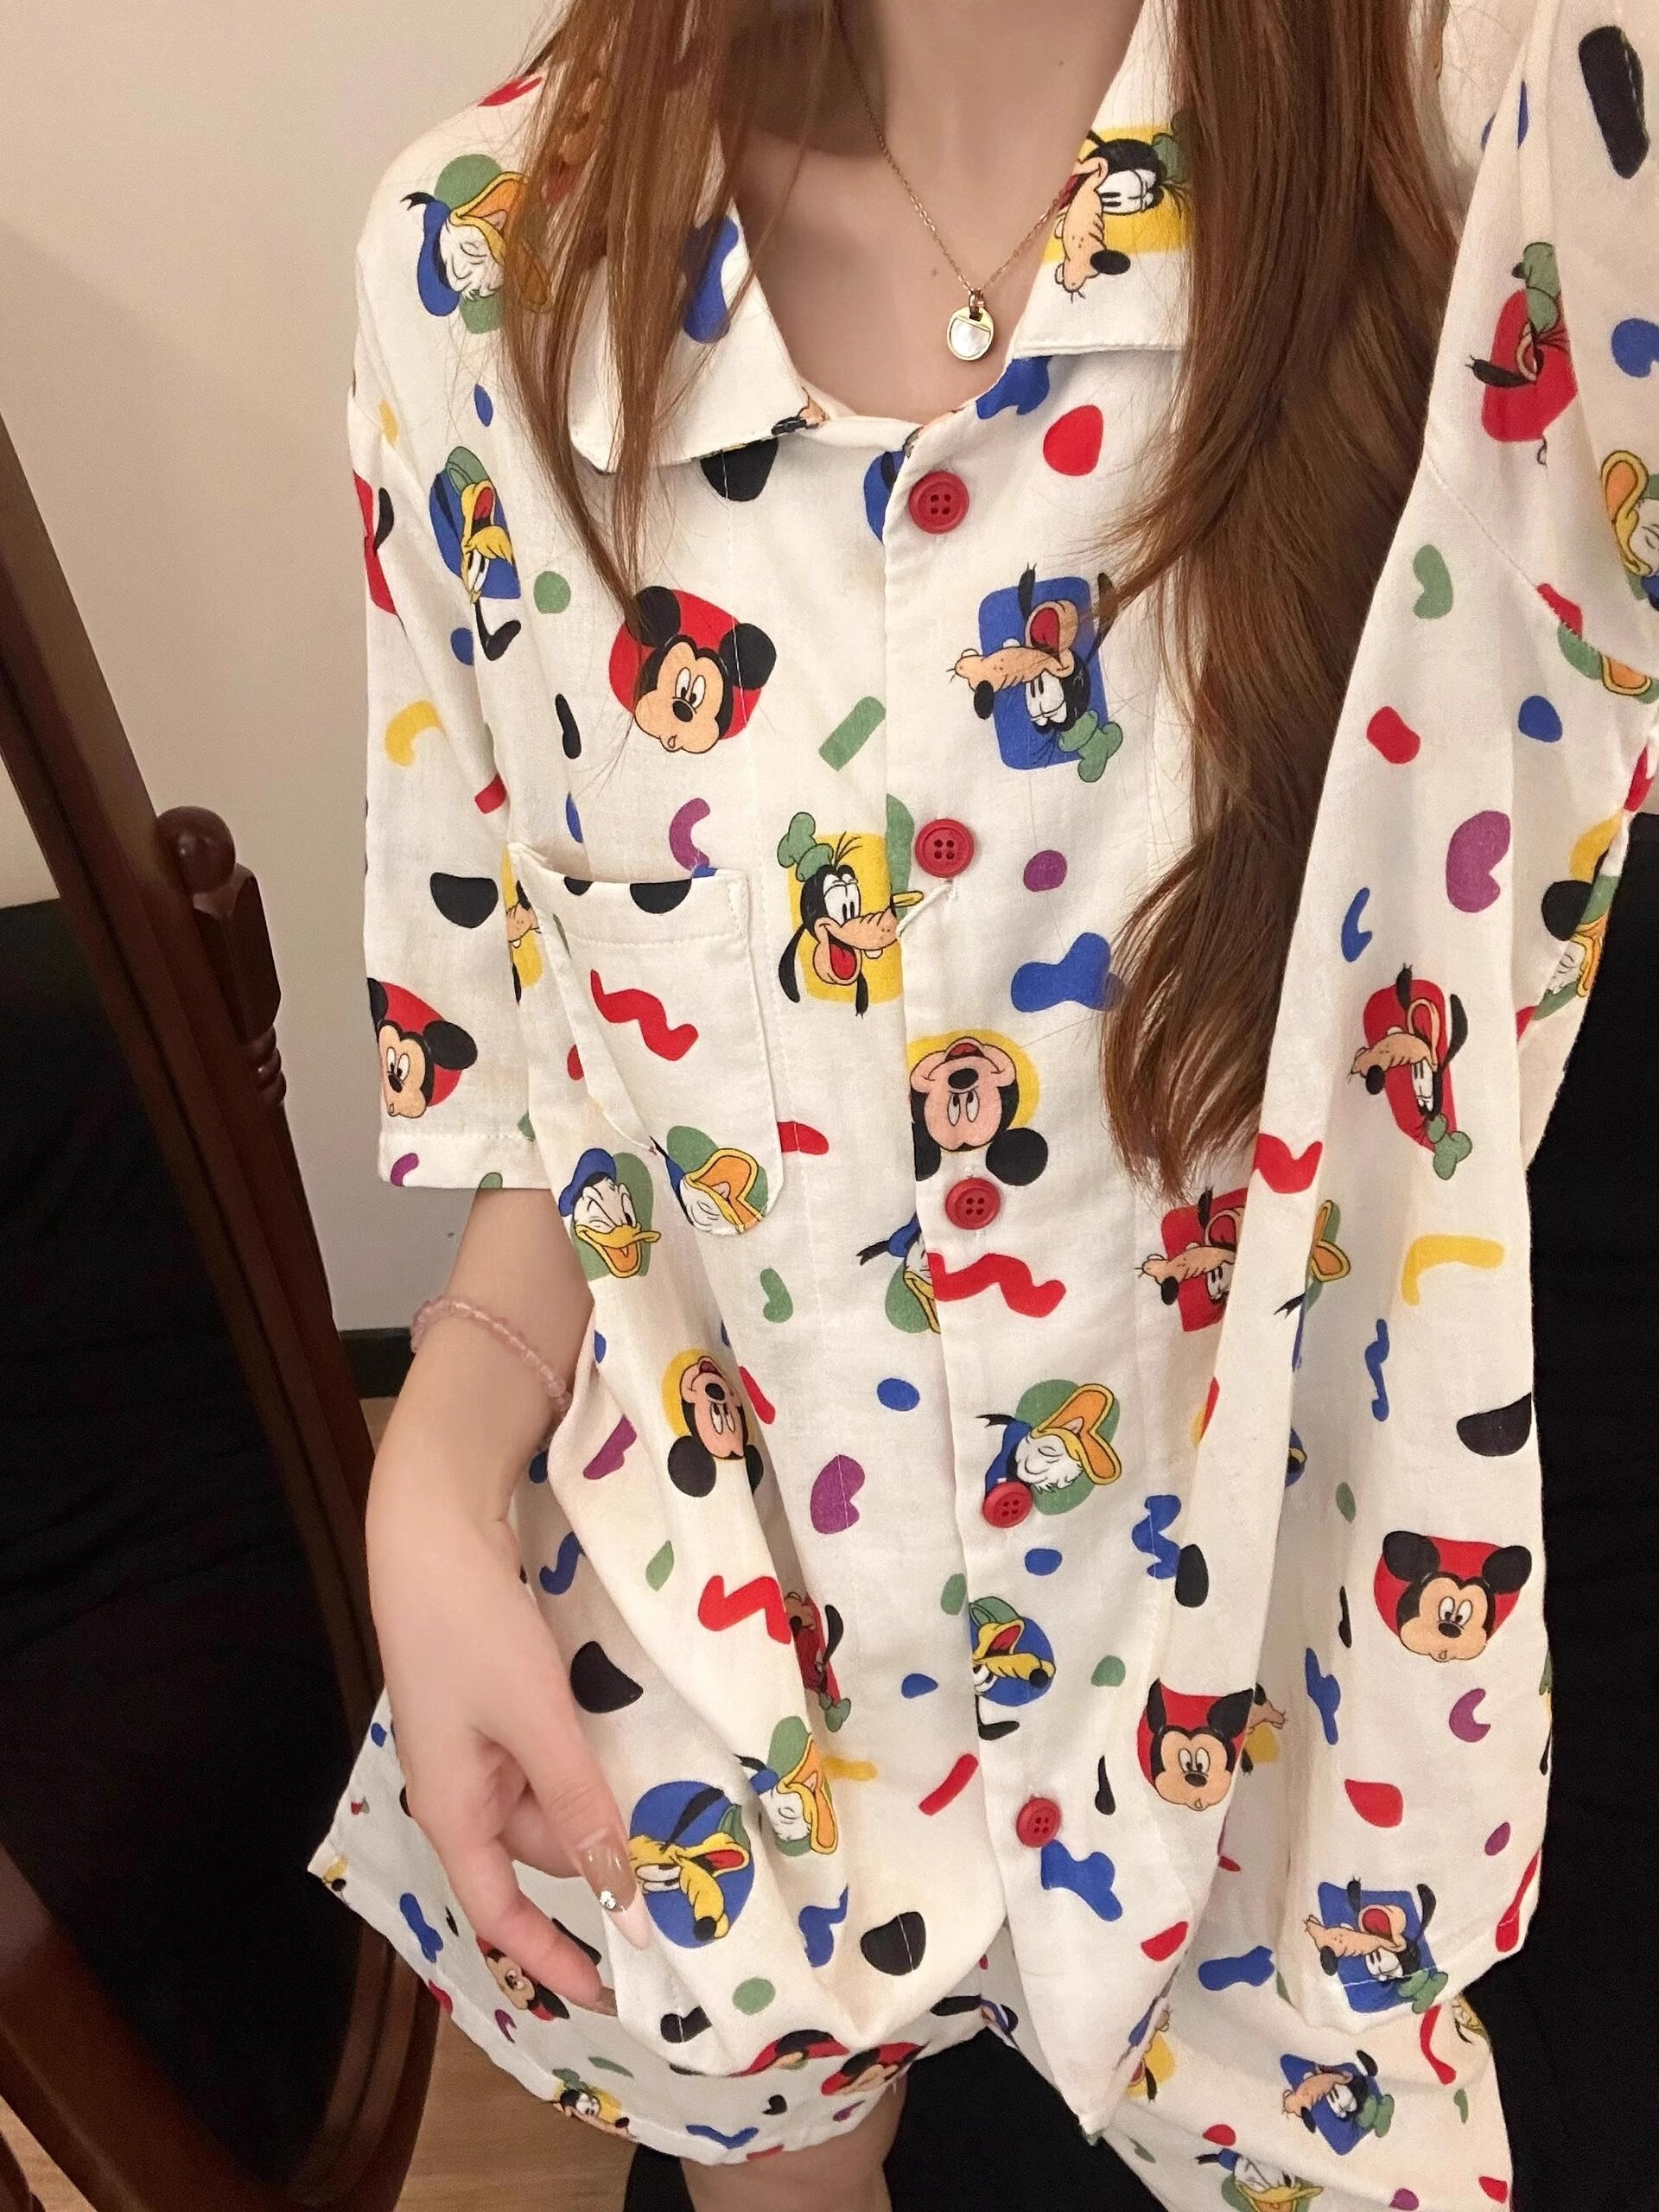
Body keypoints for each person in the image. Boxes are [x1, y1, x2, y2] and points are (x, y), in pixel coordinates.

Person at [310, 0, 1658, 2204]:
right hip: (752, 1699)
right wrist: (437, 1465)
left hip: (1309, 1695)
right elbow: (565, 1081)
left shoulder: (1483, 160)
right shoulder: (482, 274)